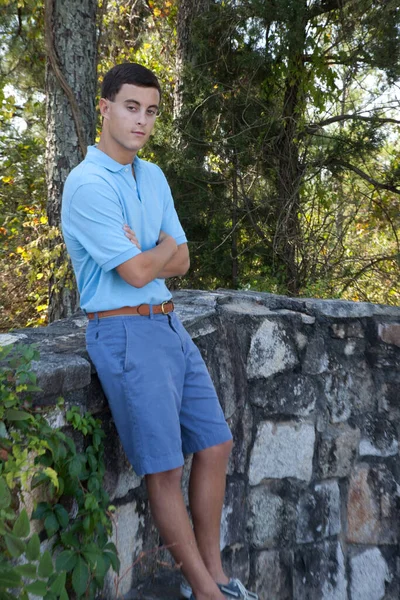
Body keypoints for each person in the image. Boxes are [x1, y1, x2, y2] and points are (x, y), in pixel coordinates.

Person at [61, 63, 258, 600]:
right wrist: (156, 252)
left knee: (216, 444)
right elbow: (137, 273)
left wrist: (152, 252)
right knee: (165, 469)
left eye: (150, 111)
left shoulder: (151, 176)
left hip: (168, 324)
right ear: (104, 107)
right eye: (131, 107)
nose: (141, 121)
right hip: (124, 334)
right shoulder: (86, 185)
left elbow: (183, 260)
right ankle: (209, 594)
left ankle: (215, 575)